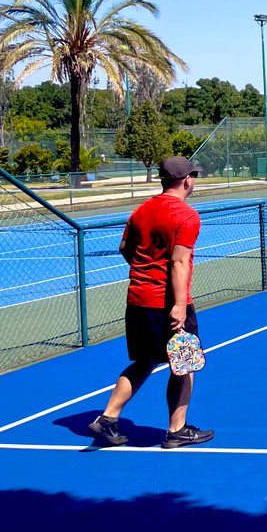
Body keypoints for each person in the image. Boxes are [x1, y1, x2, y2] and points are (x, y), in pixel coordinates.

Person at [87, 156, 215, 449]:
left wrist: (145, 270)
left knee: (144, 361)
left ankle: (108, 418)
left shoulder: (141, 211)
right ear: (186, 180)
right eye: (193, 176)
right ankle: (177, 430)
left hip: (138, 301)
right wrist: (180, 305)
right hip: (168, 304)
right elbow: (179, 262)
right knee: (183, 365)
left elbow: (124, 248)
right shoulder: (187, 216)